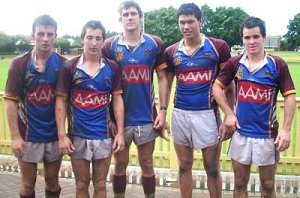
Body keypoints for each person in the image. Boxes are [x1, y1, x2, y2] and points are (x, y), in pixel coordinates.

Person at [213, 16, 296, 197]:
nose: (251, 42)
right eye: (247, 37)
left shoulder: (277, 64)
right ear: (242, 39)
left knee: (267, 185)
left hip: (267, 136)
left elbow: (290, 96)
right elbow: (216, 88)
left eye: (255, 37)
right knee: (240, 183)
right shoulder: (235, 63)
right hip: (241, 133)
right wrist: (228, 114)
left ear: (264, 37)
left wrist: (287, 129)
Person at [164, 3, 233, 198]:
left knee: (211, 168)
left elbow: (229, 85)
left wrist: (230, 114)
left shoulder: (218, 47)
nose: (186, 26)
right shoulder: (171, 52)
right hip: (180, 113)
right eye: (182, 22)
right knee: (184, 166)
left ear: (200, 21)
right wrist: (162, 111)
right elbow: (166, 84)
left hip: (208, 114)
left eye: (190, 22)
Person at [102, 1, 169, 197]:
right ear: (120, 19)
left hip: (146, 117)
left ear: (141, 17)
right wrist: (108, 118)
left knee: (147, 164)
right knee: (120, 164)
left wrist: (163, 111)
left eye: (133, 14)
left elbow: (163, 77)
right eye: (125, 14)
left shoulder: (154, 43)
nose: (130, 17)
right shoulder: (110, 46)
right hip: (119, 119)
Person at [55, 20, 125, 197]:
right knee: (81, 184)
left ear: (103, 41)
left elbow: (117, 99)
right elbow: (61, 102)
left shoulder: (112, 67)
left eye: (98, 38)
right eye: (89, 38)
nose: (94, 43)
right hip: (78, 135)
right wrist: (62, 135)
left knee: (100, 184)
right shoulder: (69, 67)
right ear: (82, 40)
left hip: (104, 135)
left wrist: (121, 133)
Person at [4, 15, 66, 198]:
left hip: (54, 136)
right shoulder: (20, 64)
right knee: (28, 185)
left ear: (55, 35)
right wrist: (15, 137)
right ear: (33, 35)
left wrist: (65, 134)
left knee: (53, 182)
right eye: (40, 34)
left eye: (49, 34)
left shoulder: (64, 64)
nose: (45, 39)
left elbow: (68, 102)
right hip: (28, 136)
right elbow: (11, 101)